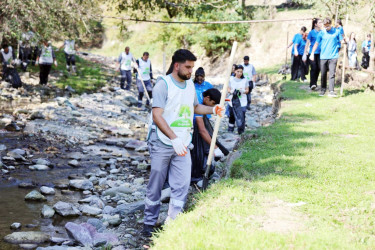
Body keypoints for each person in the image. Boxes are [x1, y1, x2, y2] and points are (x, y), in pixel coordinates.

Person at [142, 49, 225, 237]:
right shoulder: (163, 85)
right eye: (188, 67)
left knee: (181, 184)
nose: (191, 72)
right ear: (177, 65)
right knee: (156, 184)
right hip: (163, 142)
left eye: (192, 67)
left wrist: (213, 110)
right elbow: (157, 115)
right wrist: (173, 138)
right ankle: (149, 223)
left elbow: (195, 107)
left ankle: (172, 223)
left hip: (184, 142)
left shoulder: (189, 86)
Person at [191, 88, 225, 185]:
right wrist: (215, 148)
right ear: (207, 98)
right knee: (197, 147)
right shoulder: (198, 100)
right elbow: (202, 130)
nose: (212, 106)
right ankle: (196, 175)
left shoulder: (202, 97)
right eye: (213, 103)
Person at [311, 17, 343, 97]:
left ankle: (331, 91)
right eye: (325, 26)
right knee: (323, 74)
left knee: (332, 74)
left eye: (327, 26)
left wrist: (344, 41)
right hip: (323, 56)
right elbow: (316, 43)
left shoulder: (336, 31)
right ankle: (323, 90)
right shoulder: (321, 33)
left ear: (331, 24)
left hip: (333, 56)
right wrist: (312, 53)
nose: (326, 28)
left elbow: (341, 40)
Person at [227, 64, 249, 134]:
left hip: (242, 101)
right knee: (232, 115)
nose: (239, 73)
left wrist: (243, 91)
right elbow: (228, 88)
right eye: (238, 71)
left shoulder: (245, 80)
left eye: (241, 72)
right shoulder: (231, 79)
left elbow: (247, 90)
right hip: (232, 100)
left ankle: (241, 130)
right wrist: (231, 91)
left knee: (242, 114)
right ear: (235, 71)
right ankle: (230, 130)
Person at [304, 18, 323, 90]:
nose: (321, 24)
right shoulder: (311, 33)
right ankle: (312, 84)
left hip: (321, 53)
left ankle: (315, 83)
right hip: (312, 53)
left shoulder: (322, 32)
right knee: (313, 68)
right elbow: (307, 43)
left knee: (318, 68)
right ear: (315, 24)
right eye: (320, 22)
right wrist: (305, 53)